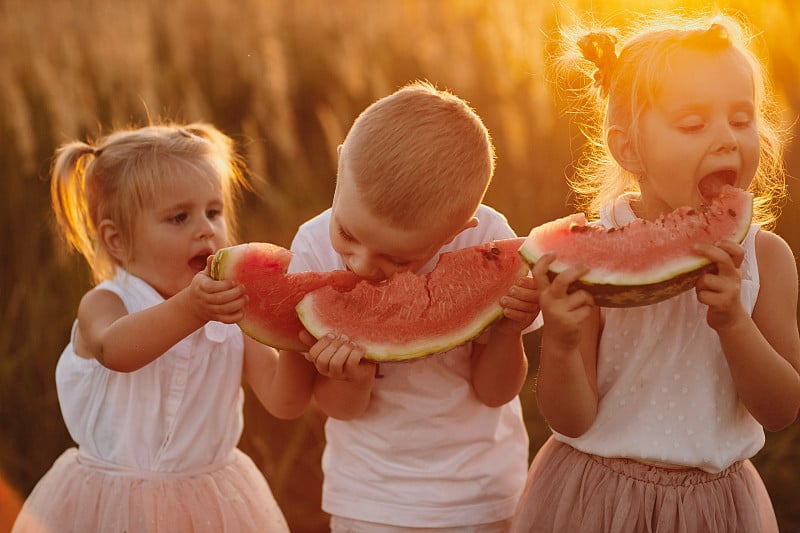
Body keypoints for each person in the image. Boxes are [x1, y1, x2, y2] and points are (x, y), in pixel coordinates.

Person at [511, 11, 800, 533]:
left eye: (742, 118)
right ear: (628, 148)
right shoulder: (588, 257)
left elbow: (782, 409)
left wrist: (734, 321)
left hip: (714, 509)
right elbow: (570, 419)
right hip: (593, 499)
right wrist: (559, 338)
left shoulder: (768, 258)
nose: (726, 139)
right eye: (693, 124)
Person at [12, 123, 309, 532]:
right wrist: (191, 308)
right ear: (117, 241)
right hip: (111, 507)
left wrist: (297, 334)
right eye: (179, 217)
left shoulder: (234, 315)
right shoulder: (107, 302)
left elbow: (283, 402)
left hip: (212, 506)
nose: (205, 228)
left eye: (214, 211)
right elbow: (114, 351)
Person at [285, 81, 541, 532]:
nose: (361, 264)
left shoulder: (490, 241)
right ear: (341, 161)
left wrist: (505, 329)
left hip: (481, 495)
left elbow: (495, 392)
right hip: (369, 497)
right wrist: (349, 378)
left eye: (399, 259)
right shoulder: (311, 246)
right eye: (347, 233)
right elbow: (340, 409)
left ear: (457, 230)